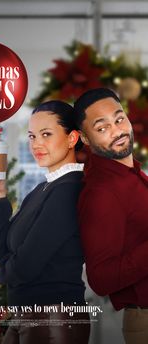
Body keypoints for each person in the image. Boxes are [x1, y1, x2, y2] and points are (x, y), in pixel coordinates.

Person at [0, 100, 90, 344]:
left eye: (46, 134)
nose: (36, 144)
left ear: (72, 138)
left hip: (55, 320)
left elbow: (26, 266)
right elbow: (1, 251)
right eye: (31, 136)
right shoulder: (43, 188)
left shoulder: (69, 190)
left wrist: (2, 273)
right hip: (27, 316)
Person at [73, 87, 148, 344]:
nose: (117, 131)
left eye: (119, 119)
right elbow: (101, 279)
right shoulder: (101, 193)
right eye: (102, 127)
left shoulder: (131, 174)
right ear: (85, 137)